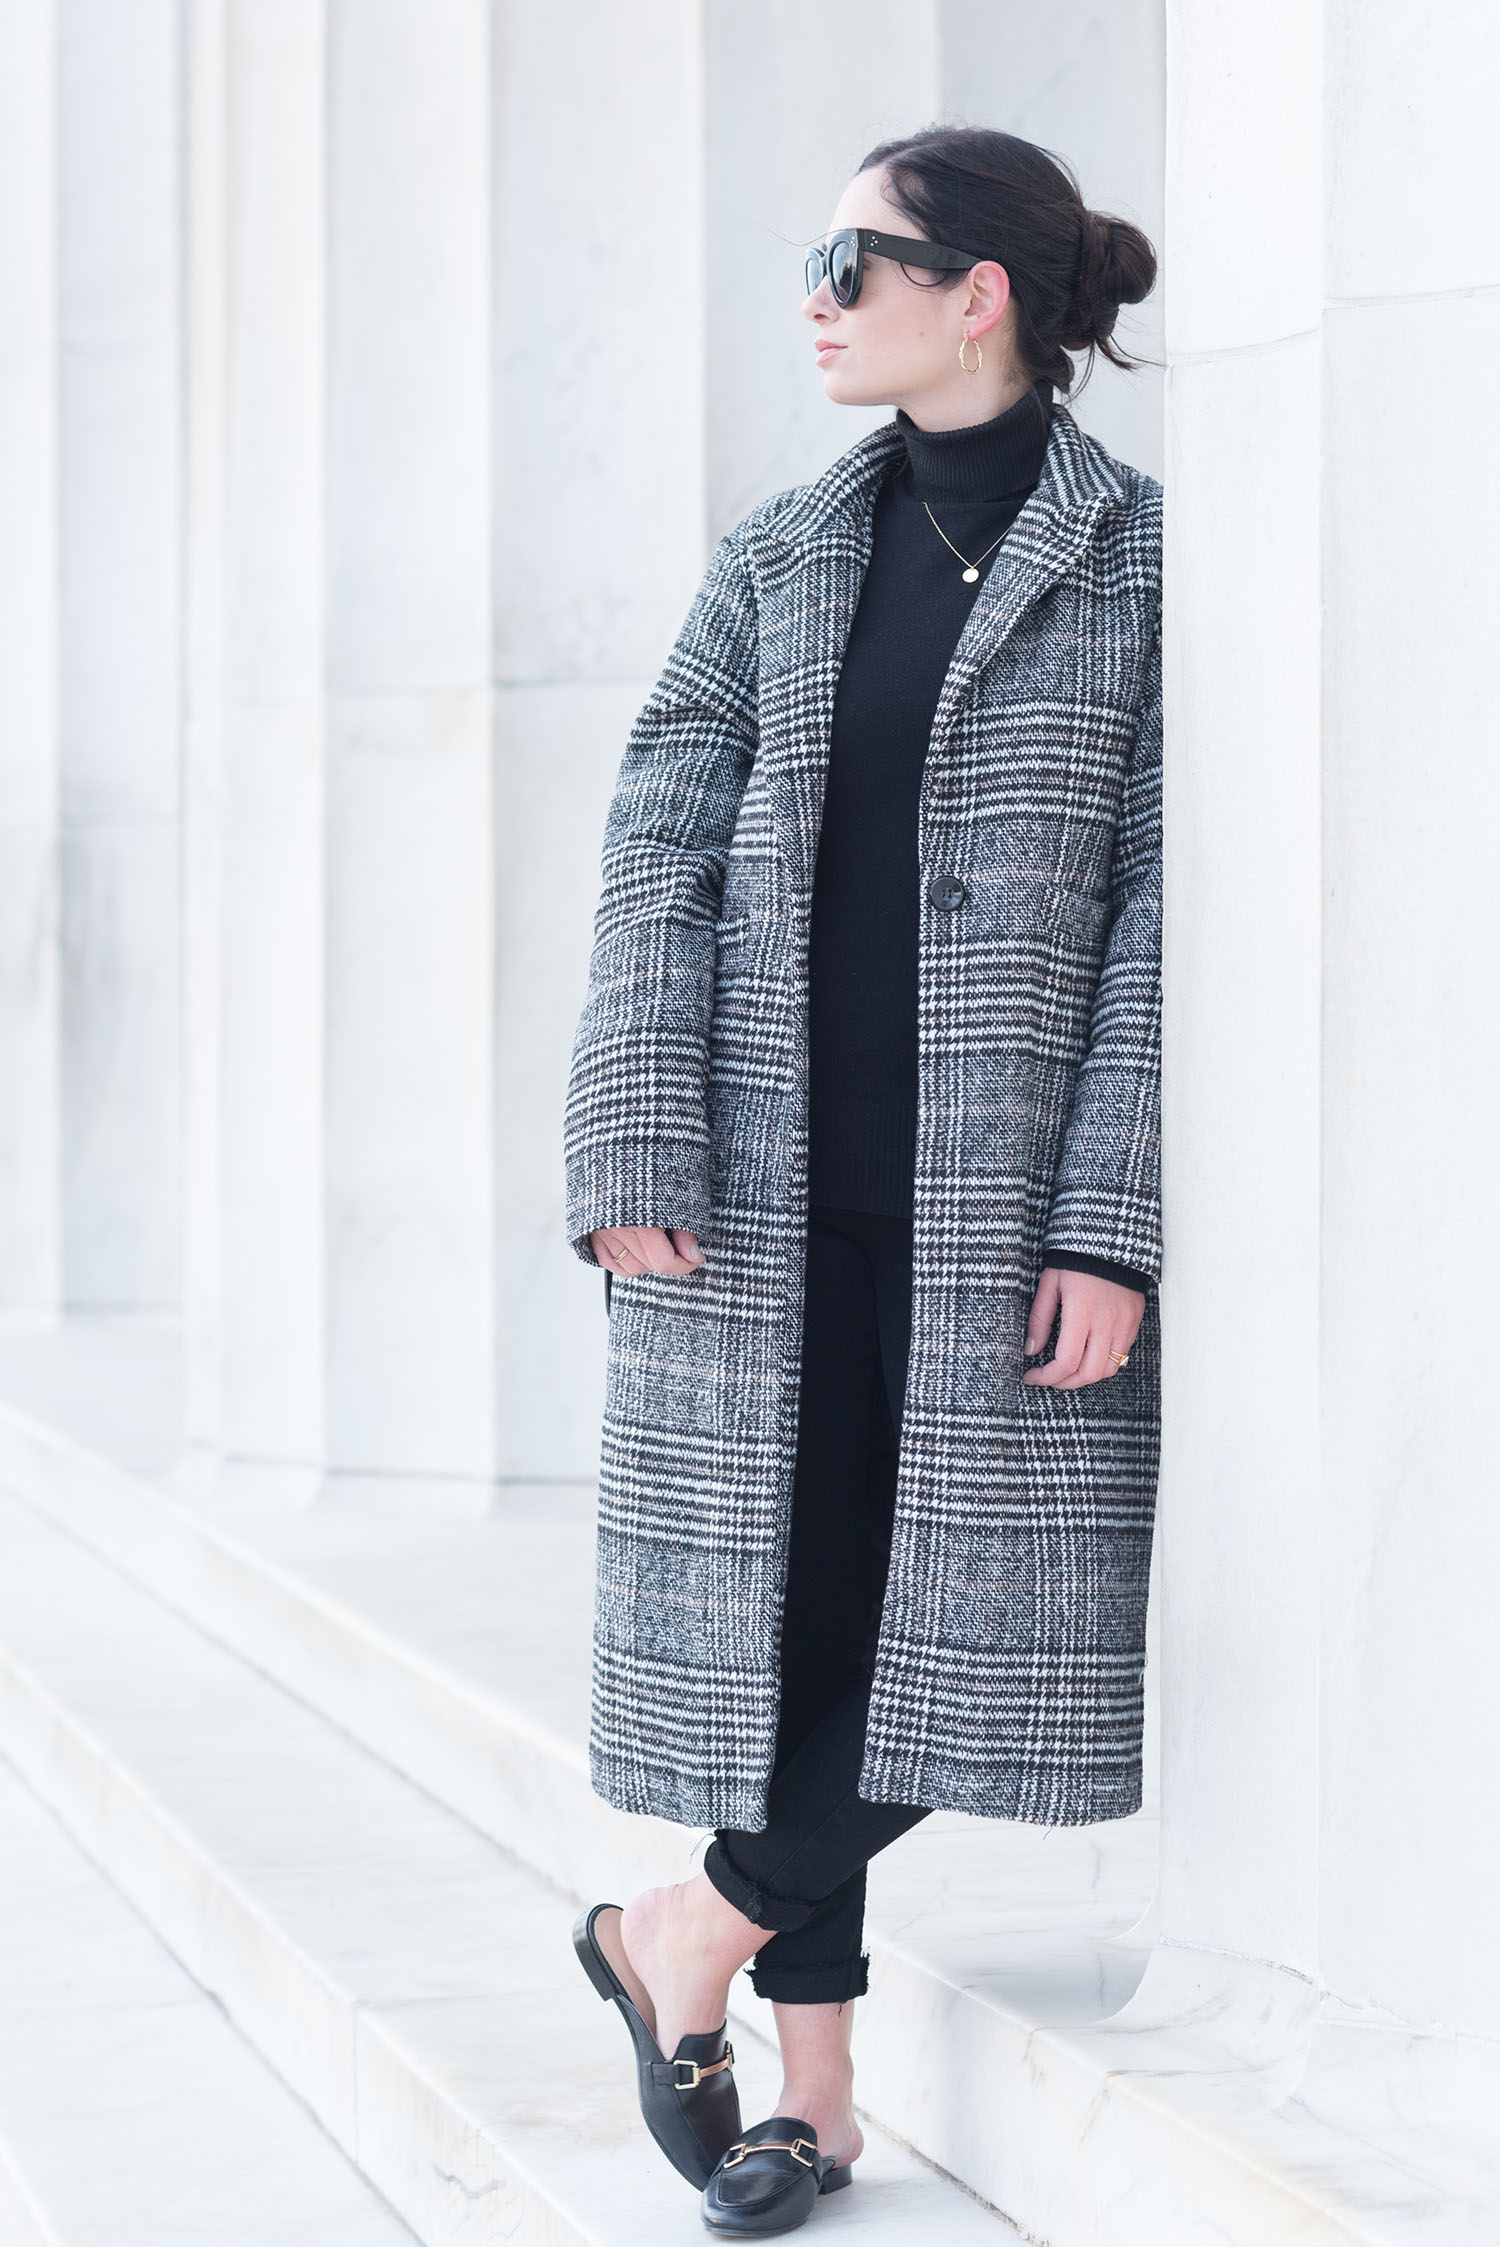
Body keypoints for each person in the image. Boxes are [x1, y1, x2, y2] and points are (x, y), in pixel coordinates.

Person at [563, 124, 1162, 2236]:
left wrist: (1111, 1212)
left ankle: (684, 1933)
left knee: (966, 1632)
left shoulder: (1146, 561)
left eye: (854, 256)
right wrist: (635, 1133)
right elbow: (654, 843)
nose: (817, 294)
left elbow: (1170, 908)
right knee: (797, 1634)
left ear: (976, 288)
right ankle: (806, 2093)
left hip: (998, 1214)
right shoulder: (781, 552)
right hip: (757, 1194)